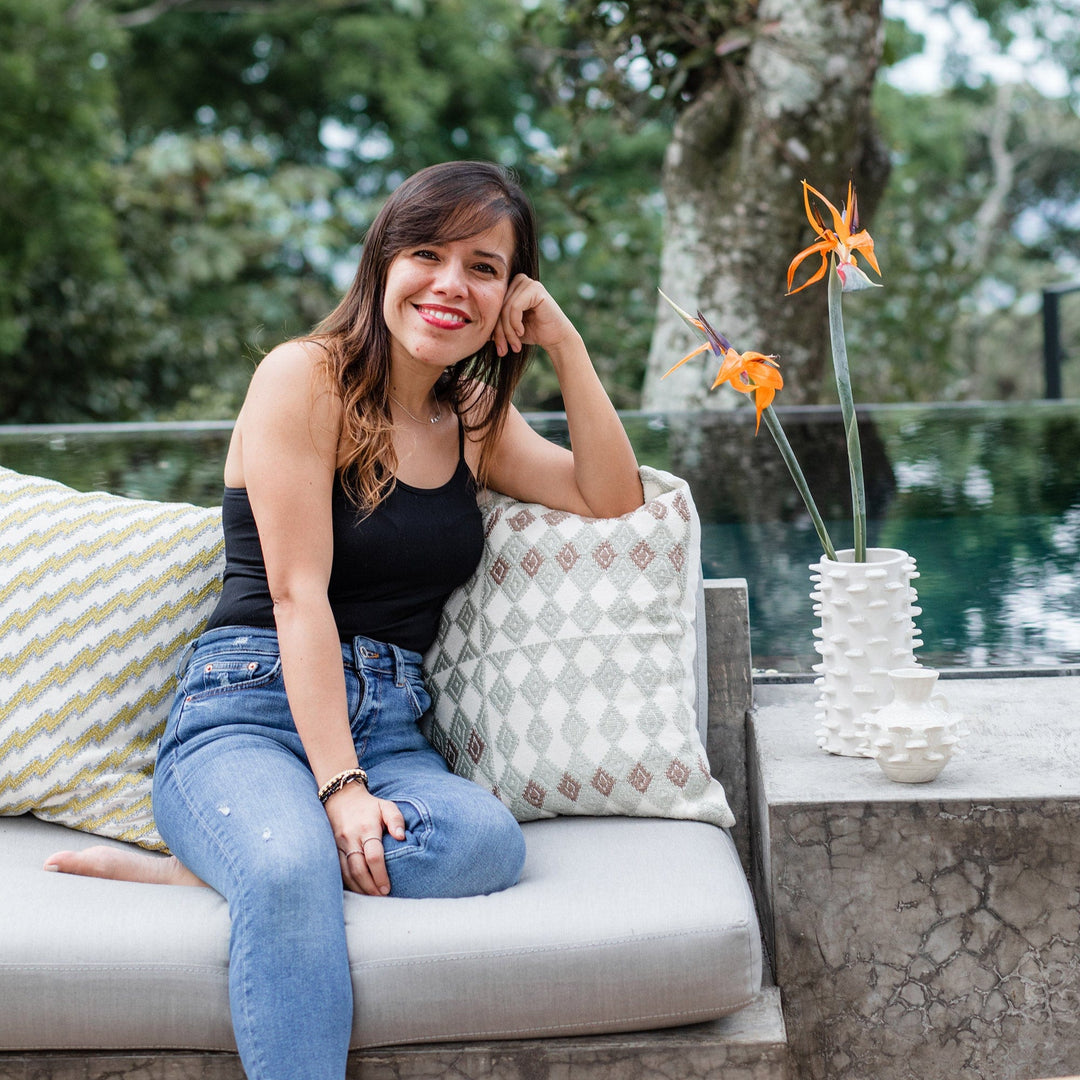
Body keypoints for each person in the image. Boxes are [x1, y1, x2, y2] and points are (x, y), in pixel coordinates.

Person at [43, 161, 643, 1080]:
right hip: (249, 706)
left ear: (511, 294)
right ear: (383, 263)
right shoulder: (304, 377)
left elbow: (609, 497)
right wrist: (339, 789)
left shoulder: (471, 415)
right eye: (428, 253)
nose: (451, 284)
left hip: (393, 724)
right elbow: (297, 597)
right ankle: (273, 867)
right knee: (287, 879)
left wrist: (566, 345)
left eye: (485, 267)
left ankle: (246, 865)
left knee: (484, 843)